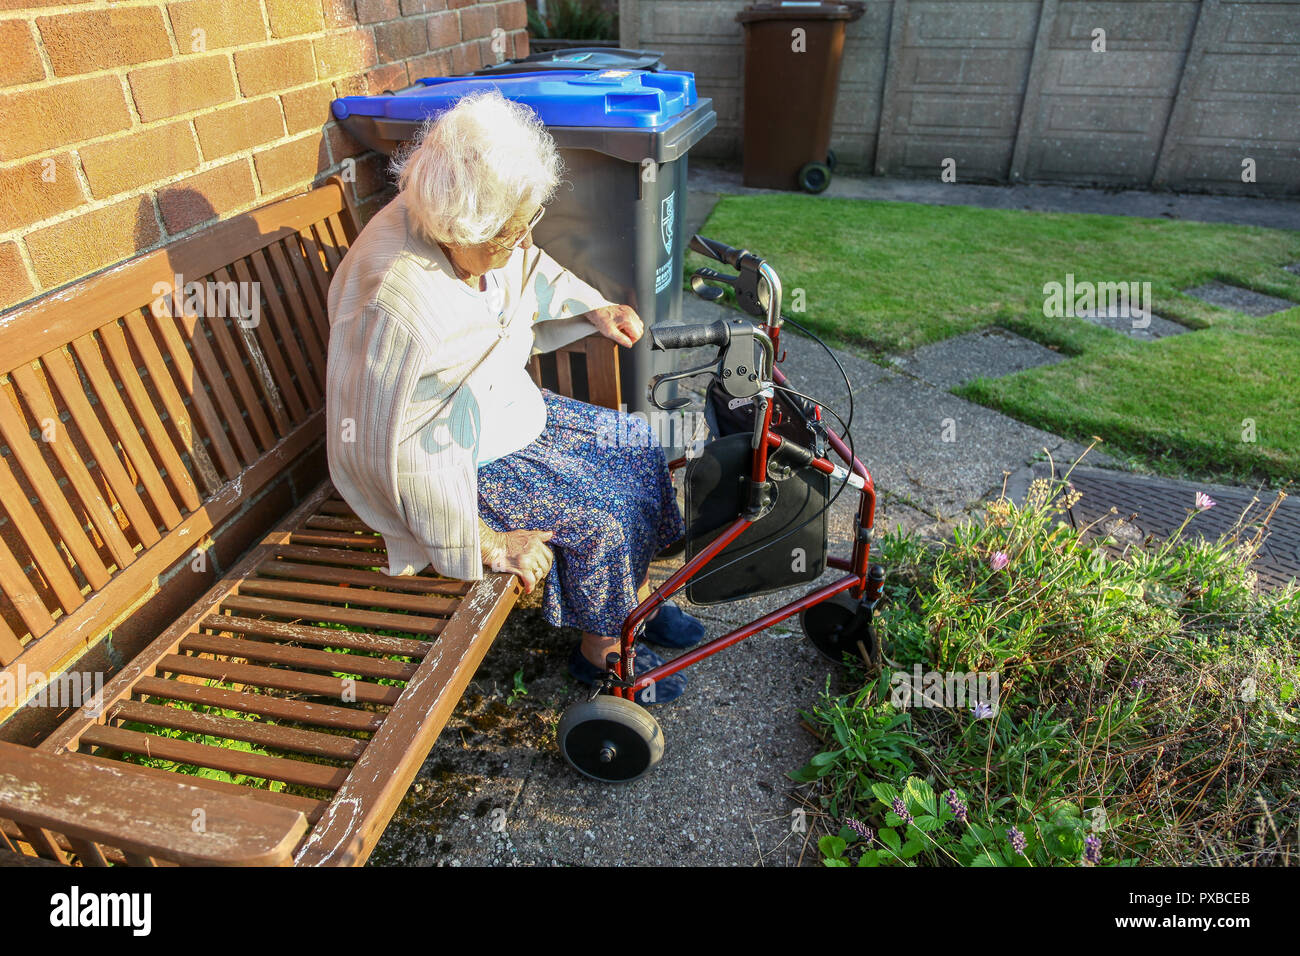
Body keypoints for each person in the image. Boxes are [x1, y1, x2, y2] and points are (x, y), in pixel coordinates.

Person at [325, 89, 705, 704]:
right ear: (458, 224)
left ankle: (630, 599)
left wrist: (594, 307)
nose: (521, 238)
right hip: (453, 460)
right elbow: (387, 447)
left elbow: (527, 265)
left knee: (636, 439)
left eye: (523, 222)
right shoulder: (396, 303)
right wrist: (488, 542)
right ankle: (601, 649)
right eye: (509, 230)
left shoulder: (474, 224)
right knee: (600, 515)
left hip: (505, 411)